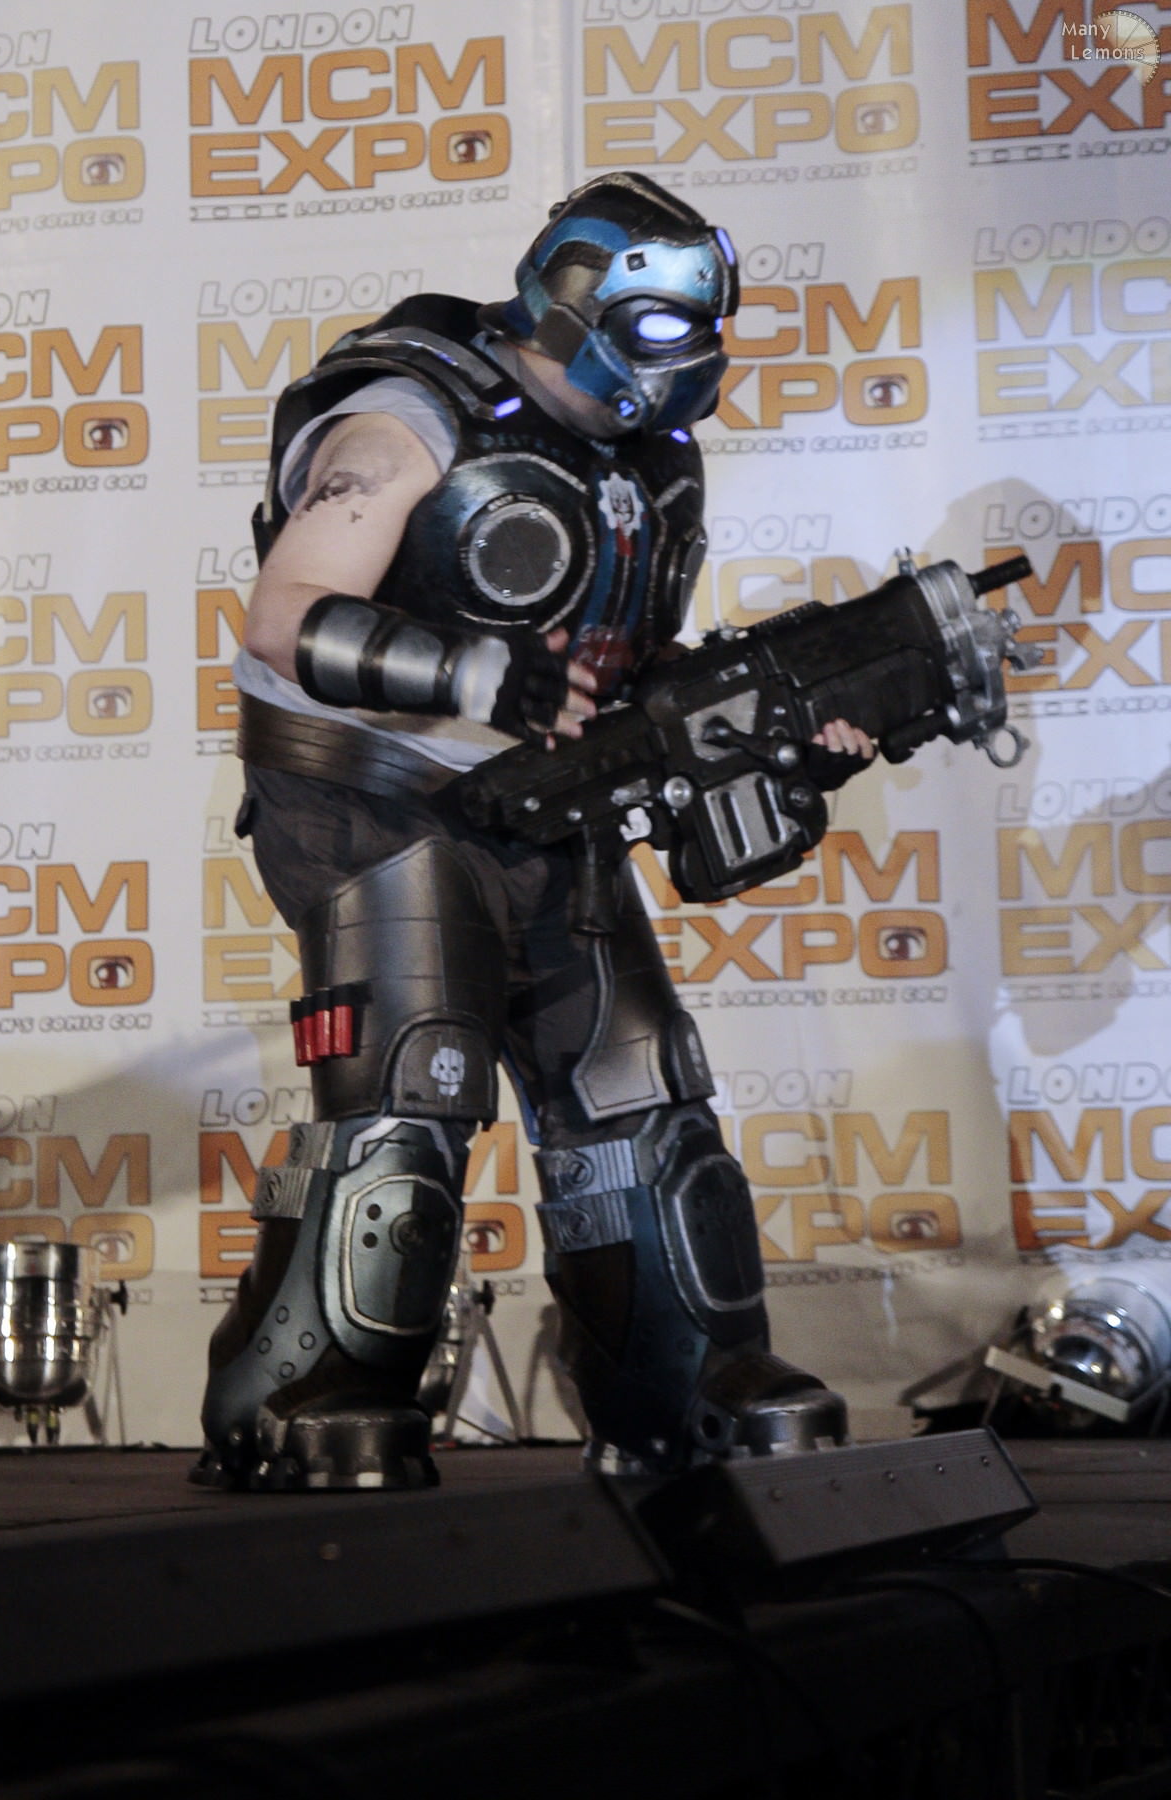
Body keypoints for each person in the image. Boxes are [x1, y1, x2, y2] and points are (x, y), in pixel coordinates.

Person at [195, 172, 871, 1492]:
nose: (687, 355)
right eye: (662, 325)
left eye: (706, 325)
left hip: (546, 800)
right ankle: (309, 1386)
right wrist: (475, 676)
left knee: (638, 1089)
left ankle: (680, 1378)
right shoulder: (409, 414)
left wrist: (773, 731)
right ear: (572, 303)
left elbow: (615, 670)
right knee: (408, 1089)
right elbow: (287, 619)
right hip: (375, 799)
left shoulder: (646, 463)